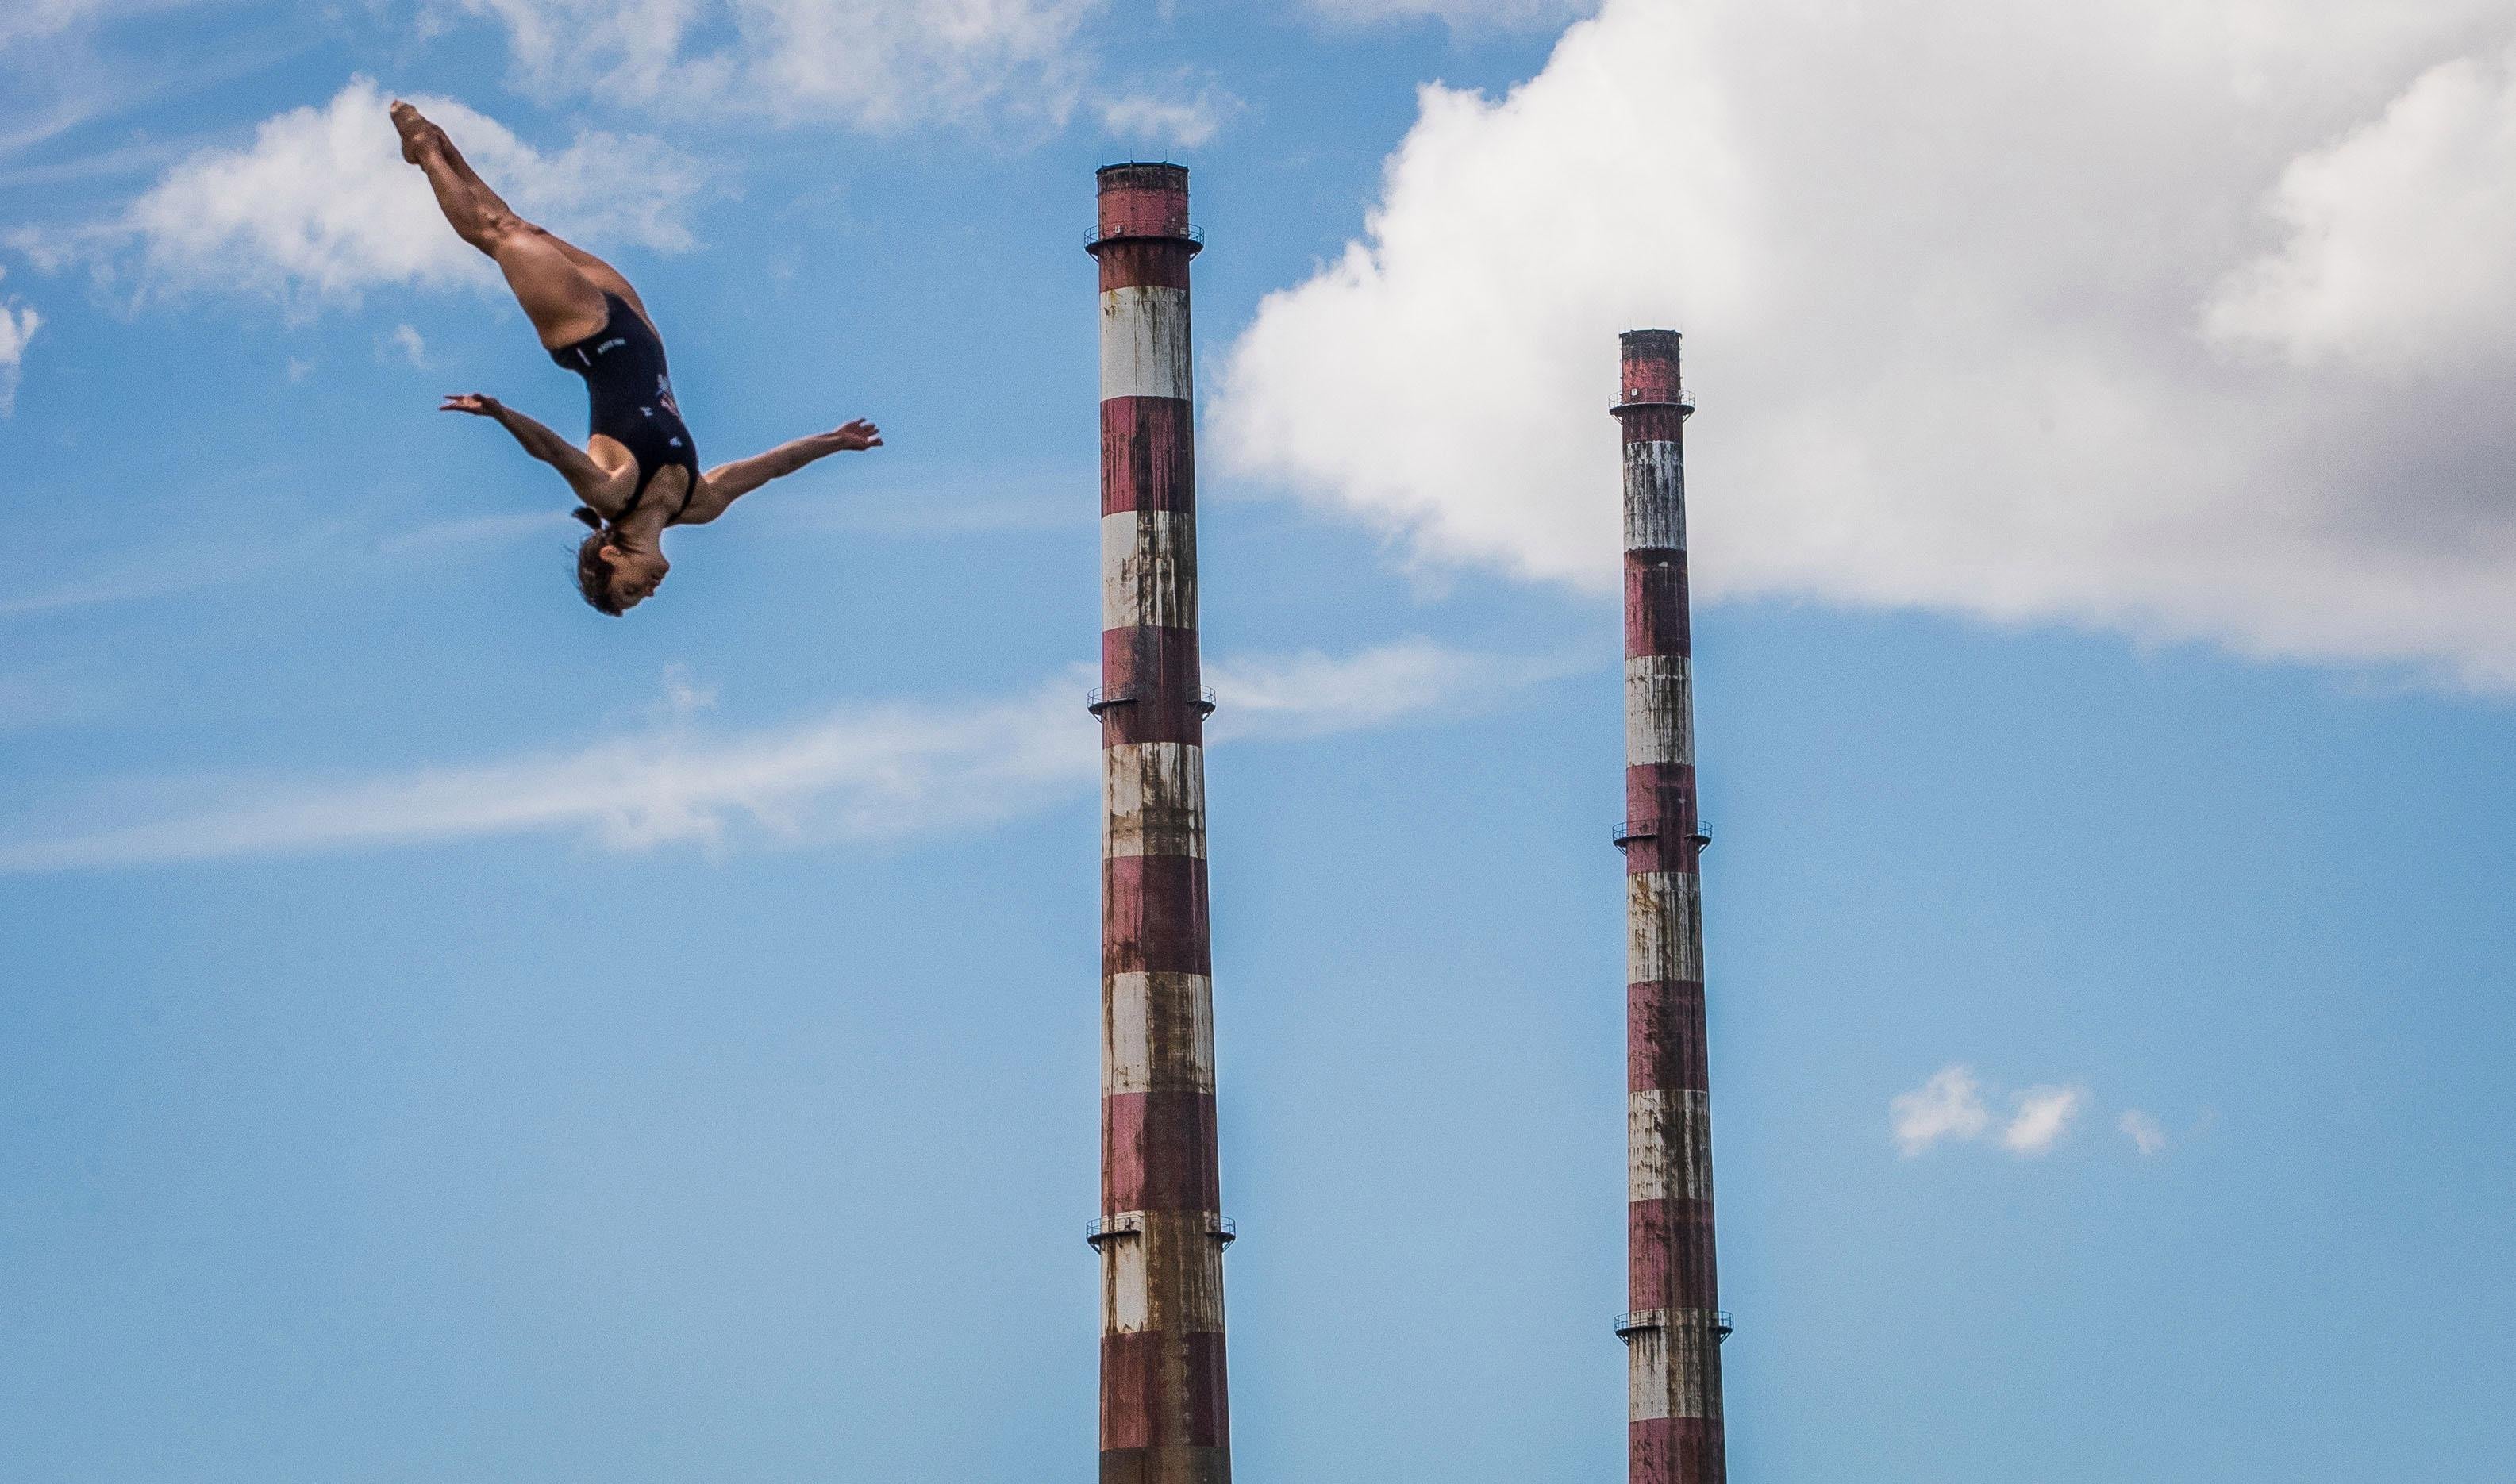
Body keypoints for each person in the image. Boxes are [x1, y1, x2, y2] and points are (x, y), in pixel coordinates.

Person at [391, 100, 881, 615]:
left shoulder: (612, 492)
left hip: (585, 335)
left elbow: (553, 453)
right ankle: (433, 142)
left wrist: (500, 414)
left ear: (609, 554)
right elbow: (772, 469)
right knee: (520, 229)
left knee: (498, 236)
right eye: (641, 597)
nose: (648, 591)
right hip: (638, 326)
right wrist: (836, 441)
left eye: (629, 588)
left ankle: (425, 148)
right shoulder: (698, 504)